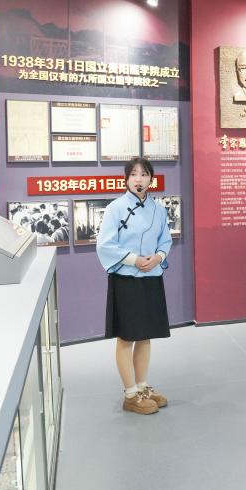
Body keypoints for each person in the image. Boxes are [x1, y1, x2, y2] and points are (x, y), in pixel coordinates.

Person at [97, 157, 174, 415]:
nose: (138, 179)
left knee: (145, 335)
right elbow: (105, 245)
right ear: (126, 179)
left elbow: (165, 241)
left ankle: (142, 387)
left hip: (151, 277)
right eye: (133, 174)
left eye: (143, 174)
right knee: (126, 337)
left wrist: (158, 257)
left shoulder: (159, 210)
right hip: (126, 279)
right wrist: (135, 260)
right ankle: (130, 394)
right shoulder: (115, 208)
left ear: (151, 178)